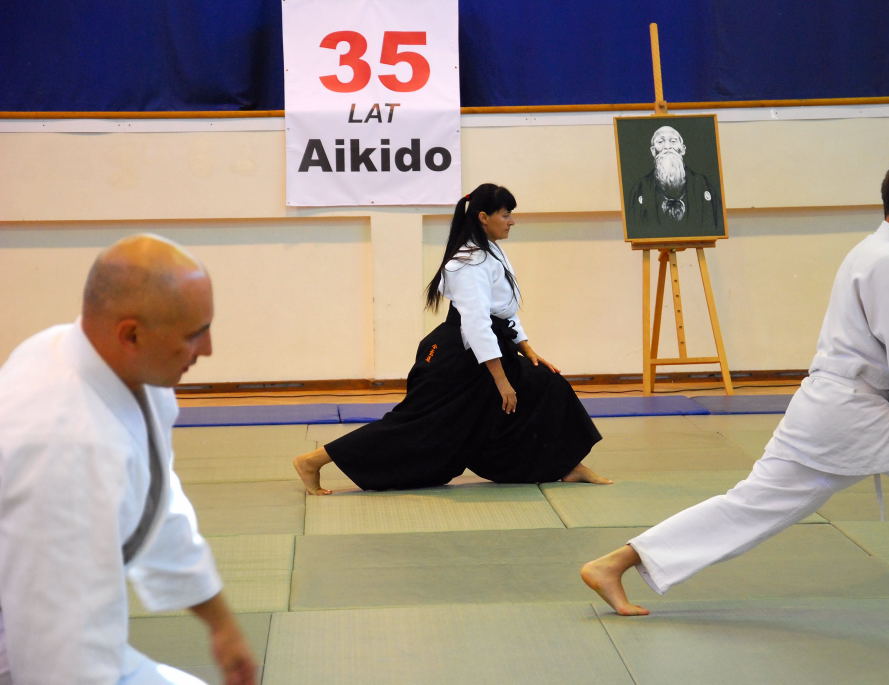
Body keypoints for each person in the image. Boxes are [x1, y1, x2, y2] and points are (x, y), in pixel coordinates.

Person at [582, 154, 889, 621]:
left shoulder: (876, 256)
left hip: (845, 412)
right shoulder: (886, 264)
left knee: (753, 504)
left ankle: (616, 562)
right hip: (848, 415)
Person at [0, 235, 257, 683]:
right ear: (131, 334)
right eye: (195, 335)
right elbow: (62, 664)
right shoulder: (66, 452)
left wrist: (221, 622)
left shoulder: (94, 358)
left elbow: (158, 502)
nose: (209, 349)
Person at [293, 183, 610, 494]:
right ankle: (314, 460)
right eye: (505, 214)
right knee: (418, 425)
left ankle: (566, 465)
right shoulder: (467, 262)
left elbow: (504, 309)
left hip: (488, 348)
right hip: (456, 357)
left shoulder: (491, 252)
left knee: (545, 385)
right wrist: (501, 380)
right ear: (483, 217)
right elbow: (476, 323)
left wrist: (527, 349)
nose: (512, 221)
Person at [625, 125, 722, 238]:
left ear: (683, 149)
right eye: (660, 141)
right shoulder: (640, 188)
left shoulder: (703, 185)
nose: (667, 146)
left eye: (673, 141)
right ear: (653, 151)